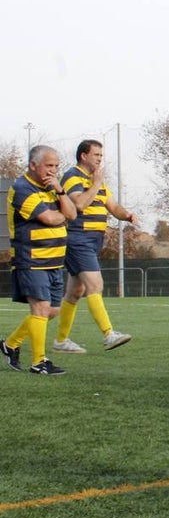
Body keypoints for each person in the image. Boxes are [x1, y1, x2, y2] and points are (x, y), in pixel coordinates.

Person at [51, 139, 136, 354]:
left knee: (75, 291)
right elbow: (78, 204)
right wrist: (97, 183)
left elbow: (112, 206)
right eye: (96, 155)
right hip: (78, 238)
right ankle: (109, 334)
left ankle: (61, 341)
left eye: (101, 155)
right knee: (95, 284)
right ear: (83, 156)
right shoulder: (73, 176)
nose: (100, 159)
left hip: (93, 240)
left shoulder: (95, 180)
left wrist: (126, 215)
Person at [3, 145, 77, 375]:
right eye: (48, 165)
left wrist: (61, 192)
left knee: (52, 311)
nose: (52, 170)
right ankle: (39, 362)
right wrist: (61, 214)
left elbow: (72, 215)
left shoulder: (54, 187)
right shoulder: (22, 188)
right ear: (33, 165)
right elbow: (49, 218)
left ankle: (10, 344)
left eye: (55, 166)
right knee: (41, 308)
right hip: (31, 259)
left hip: (54, 260)